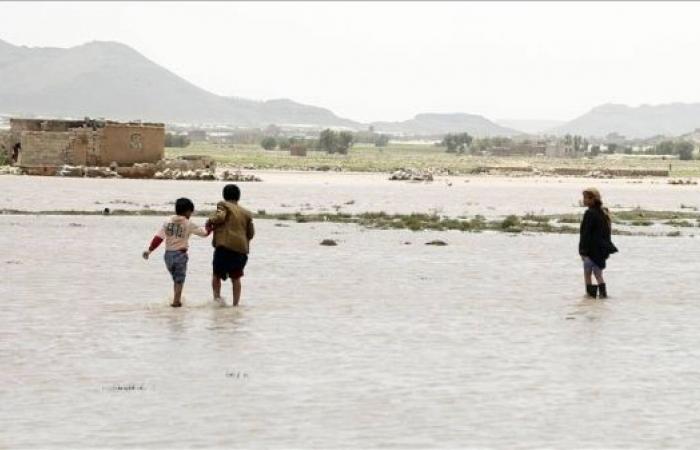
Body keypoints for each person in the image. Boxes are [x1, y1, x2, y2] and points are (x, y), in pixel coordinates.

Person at [143, 198, 210, 307]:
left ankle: (176, 299)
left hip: (168, 256)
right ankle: (176, 302)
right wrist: (210, 225)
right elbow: (204, 233)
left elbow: (158, 238)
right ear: (188, 211)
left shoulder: (168, 222)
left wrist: (149, 250)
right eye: (191, 212)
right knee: (179, 280)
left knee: (176, 279)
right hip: (180, 254)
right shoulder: (188, 223)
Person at [206, 184, 255, 306]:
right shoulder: (247, 213)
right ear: (238, 197)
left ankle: (217, 301)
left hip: (225, 246)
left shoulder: (223, 205)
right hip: (241, 250)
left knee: (216, 275)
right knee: (236, 277)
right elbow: (251, 233)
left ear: (224, 196)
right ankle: (235, 305)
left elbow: (220, 217)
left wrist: (210, 220)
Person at [579, 187, 618, 298]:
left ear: (592, 199)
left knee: (587, 274)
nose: (584, 200)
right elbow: (606, 233)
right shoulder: (603, 213)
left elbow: (585, 234)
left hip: (590, 250)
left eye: (585, 198)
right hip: (600, 250)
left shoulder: (589, 213)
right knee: (598, 274)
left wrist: (582, 251)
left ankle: (590, 297)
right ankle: (603, 296)